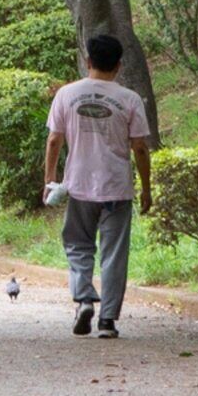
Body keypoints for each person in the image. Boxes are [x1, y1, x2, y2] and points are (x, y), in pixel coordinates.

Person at [39, 33, 155, 338]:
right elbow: (140, 147)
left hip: (78, 185)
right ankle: (107, 321)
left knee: (78, 245)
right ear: (118, 65)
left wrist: (50, 180)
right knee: (114, 253)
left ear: (88, 61)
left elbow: (54, 139)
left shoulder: (66, 94)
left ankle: (85, 297)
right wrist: (146, 187)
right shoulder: (129, 99)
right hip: (117, 187)